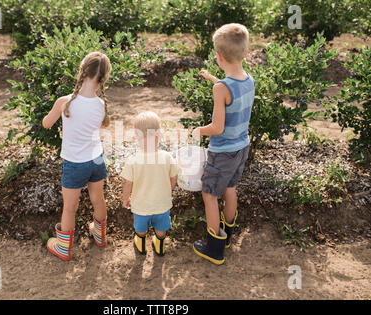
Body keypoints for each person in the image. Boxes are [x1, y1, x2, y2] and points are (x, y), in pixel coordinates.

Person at [192, 23, 255, 265]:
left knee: (209, 195)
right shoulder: (248, 80)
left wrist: (199, 130)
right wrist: (214, 79)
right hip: (242, 148)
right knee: (230, 190)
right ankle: (227, 234)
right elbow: (233, 92)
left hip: (222, 152)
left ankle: (215, 248)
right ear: (246, 53)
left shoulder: (221, 89)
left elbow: (217, 128)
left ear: (218, 56)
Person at [42, 52, 111, 261]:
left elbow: (46, 123)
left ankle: (63, 248)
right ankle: (100, 235)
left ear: (81, 71)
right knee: (98, 199)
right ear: (103, 78)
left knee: (70, 207)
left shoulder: (65, 102)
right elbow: (97, 127)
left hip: (75, 163)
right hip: (96, 159)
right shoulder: (101, 105)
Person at [121, 111, 178, 256]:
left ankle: (141, 245)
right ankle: (159, 246)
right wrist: (168, 190)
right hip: (162, 203)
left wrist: (125, 198)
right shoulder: (167, 157)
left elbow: (127, 183)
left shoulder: (133, 160)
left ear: (136, 138)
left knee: (140, 228)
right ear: (159, 136)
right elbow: (174, 176)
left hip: (141, 205)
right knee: (161, 227)